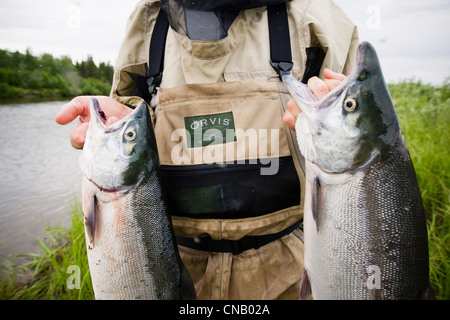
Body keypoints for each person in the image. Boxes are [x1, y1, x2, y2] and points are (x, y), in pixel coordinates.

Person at [55, 0, 358, 300]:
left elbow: (362, 137)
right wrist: (121, 118)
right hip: (169, 266)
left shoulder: (314, 15)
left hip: (291, 269)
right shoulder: (148, 17)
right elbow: (134, 109)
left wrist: (330, 109)